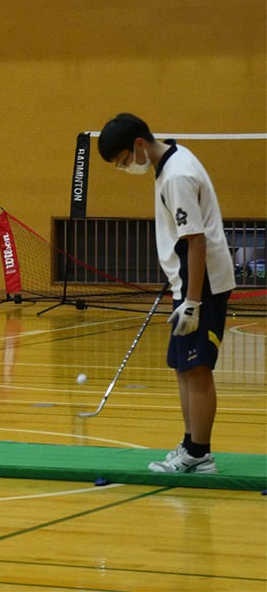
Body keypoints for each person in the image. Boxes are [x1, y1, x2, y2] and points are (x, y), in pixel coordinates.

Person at [98, 113, 235, 474]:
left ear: (138, 145)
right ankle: (191, 444)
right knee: (183, 367)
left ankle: (200, 454)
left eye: (124, 160)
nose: (126, 168)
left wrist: (192, 301)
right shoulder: (170, 162)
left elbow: (196, 239)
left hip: (201, 286)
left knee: (198, 368)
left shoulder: (176, 174)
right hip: (188, 282)